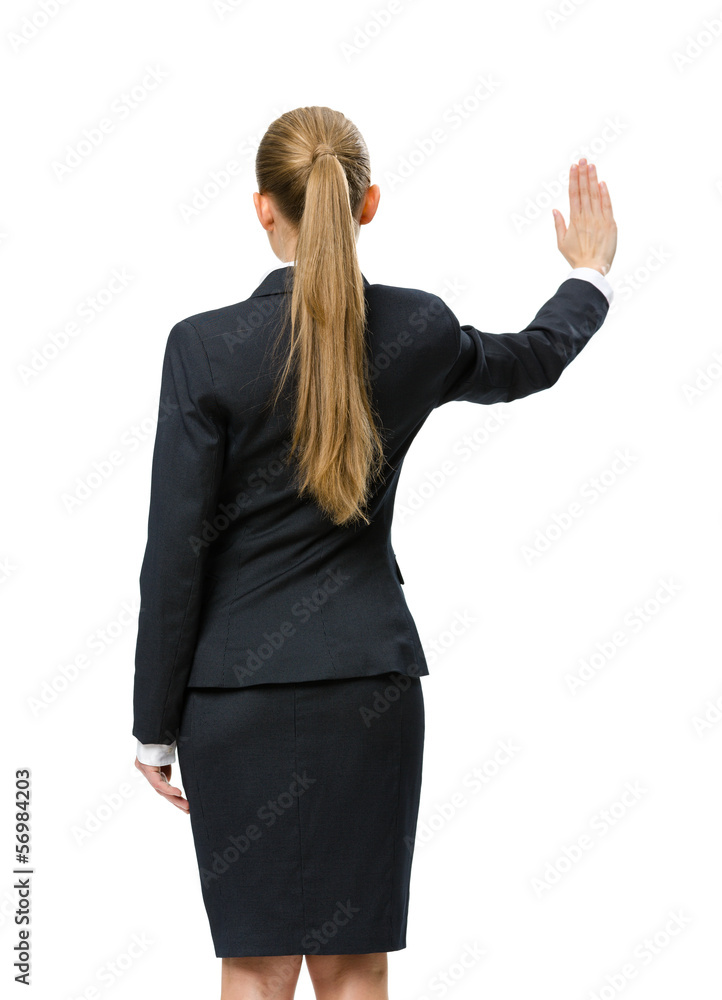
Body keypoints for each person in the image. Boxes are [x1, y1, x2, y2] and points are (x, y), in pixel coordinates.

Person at [132, 105, 617, 999]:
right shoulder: (415, 330)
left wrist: (153, 725)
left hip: (231, 699)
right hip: (367, 689)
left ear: (262, 207)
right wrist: (588, 273)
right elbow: (531, 359)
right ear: (368, 203)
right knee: (355, 964)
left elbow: (173, 557)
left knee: (255, 965)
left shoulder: (202, 349)